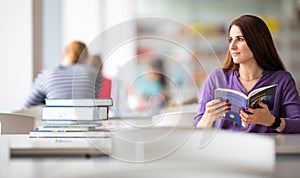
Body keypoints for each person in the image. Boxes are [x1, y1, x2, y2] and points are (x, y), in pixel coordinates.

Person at [193, 15, 300, 133]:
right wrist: (208, 117)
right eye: (230, 40)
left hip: (263, 149)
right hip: (224, 149)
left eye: (240, 39)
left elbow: (298, 124)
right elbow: (196, 130)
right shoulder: (217, 78)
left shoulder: (282, 80)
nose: (232, 46)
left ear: (257, 42)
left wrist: (272, 121)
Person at [23, 41, 101, 108]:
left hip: (55, 122)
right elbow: (93, 101)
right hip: (86, 122)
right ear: (87, 57)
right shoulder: (95, 73)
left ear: (63, 55)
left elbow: (28, 105)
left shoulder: (47, 74)